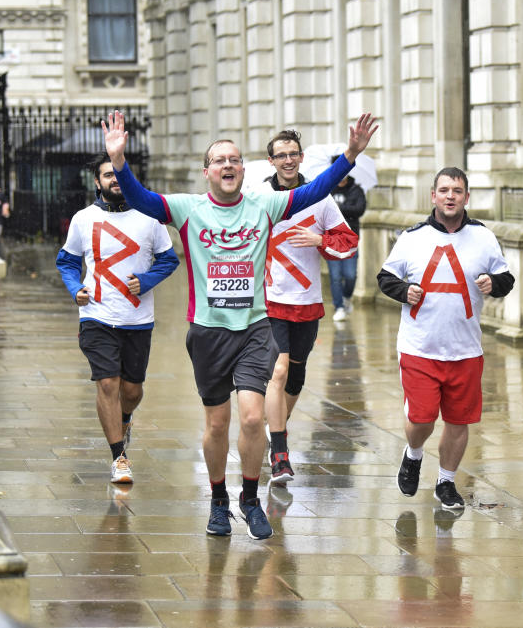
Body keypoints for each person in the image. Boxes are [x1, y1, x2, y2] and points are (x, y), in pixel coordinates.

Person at [102, 110, 377, 540]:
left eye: (235, 159)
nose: (228, 165)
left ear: (243, 170)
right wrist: (119, 163)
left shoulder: (264, 205)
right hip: (208, 332)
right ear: (207, 171)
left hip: (254, 328)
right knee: (216, 425)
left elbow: (316, 189)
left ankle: (249, 500)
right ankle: (217, 501)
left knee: (252, 420)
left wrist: (350, 155)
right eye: (219, 160)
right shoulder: (186, 209)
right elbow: (140, 199)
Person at [377, 167, 514, 511]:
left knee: (458, 420)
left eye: (457, 190)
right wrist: (404, 290)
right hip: (419, 346)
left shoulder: (483, 237)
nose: (450, 196)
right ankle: (413, 453)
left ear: (467, 197)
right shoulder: (413, 237)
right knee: (422, 419)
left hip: (466, 349)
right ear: (433, 196)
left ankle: (447, 482)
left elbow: (506, 277)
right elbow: (385, 276)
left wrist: (493, 284)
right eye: (444, 190)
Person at [55, 153, 179, 485]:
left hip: (137, 318)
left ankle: (125, 418)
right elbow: (66, 261)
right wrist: (74, 288)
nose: (114, 180)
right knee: (108, 382)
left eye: (119, 175)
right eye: (107, 175)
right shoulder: (83, 218)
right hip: (96, 314)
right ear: (97, 182)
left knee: (133, 390)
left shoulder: (150, 217)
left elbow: (169, 260)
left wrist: (148, 280)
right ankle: (118, 457)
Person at [257, 129, 358, 485]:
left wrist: (321, 239)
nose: (288, 160)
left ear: (301, 158)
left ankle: (276, 428)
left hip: (307, 302)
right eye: (281, 154)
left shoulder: (320, 199)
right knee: (279, 371)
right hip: (269, 301)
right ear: (271, 161)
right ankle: (280, 455)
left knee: (296, 378)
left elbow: (348, 241)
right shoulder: (259, 197)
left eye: (293, 154)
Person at [326, 171, 366, 321]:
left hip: (350, 240)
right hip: (331, 239)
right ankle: (339, 307)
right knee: (335, 277)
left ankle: (347, 298)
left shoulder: (356, 190)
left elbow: (359, 209)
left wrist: (338, 208)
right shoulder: (328, 190)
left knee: (350, 275)